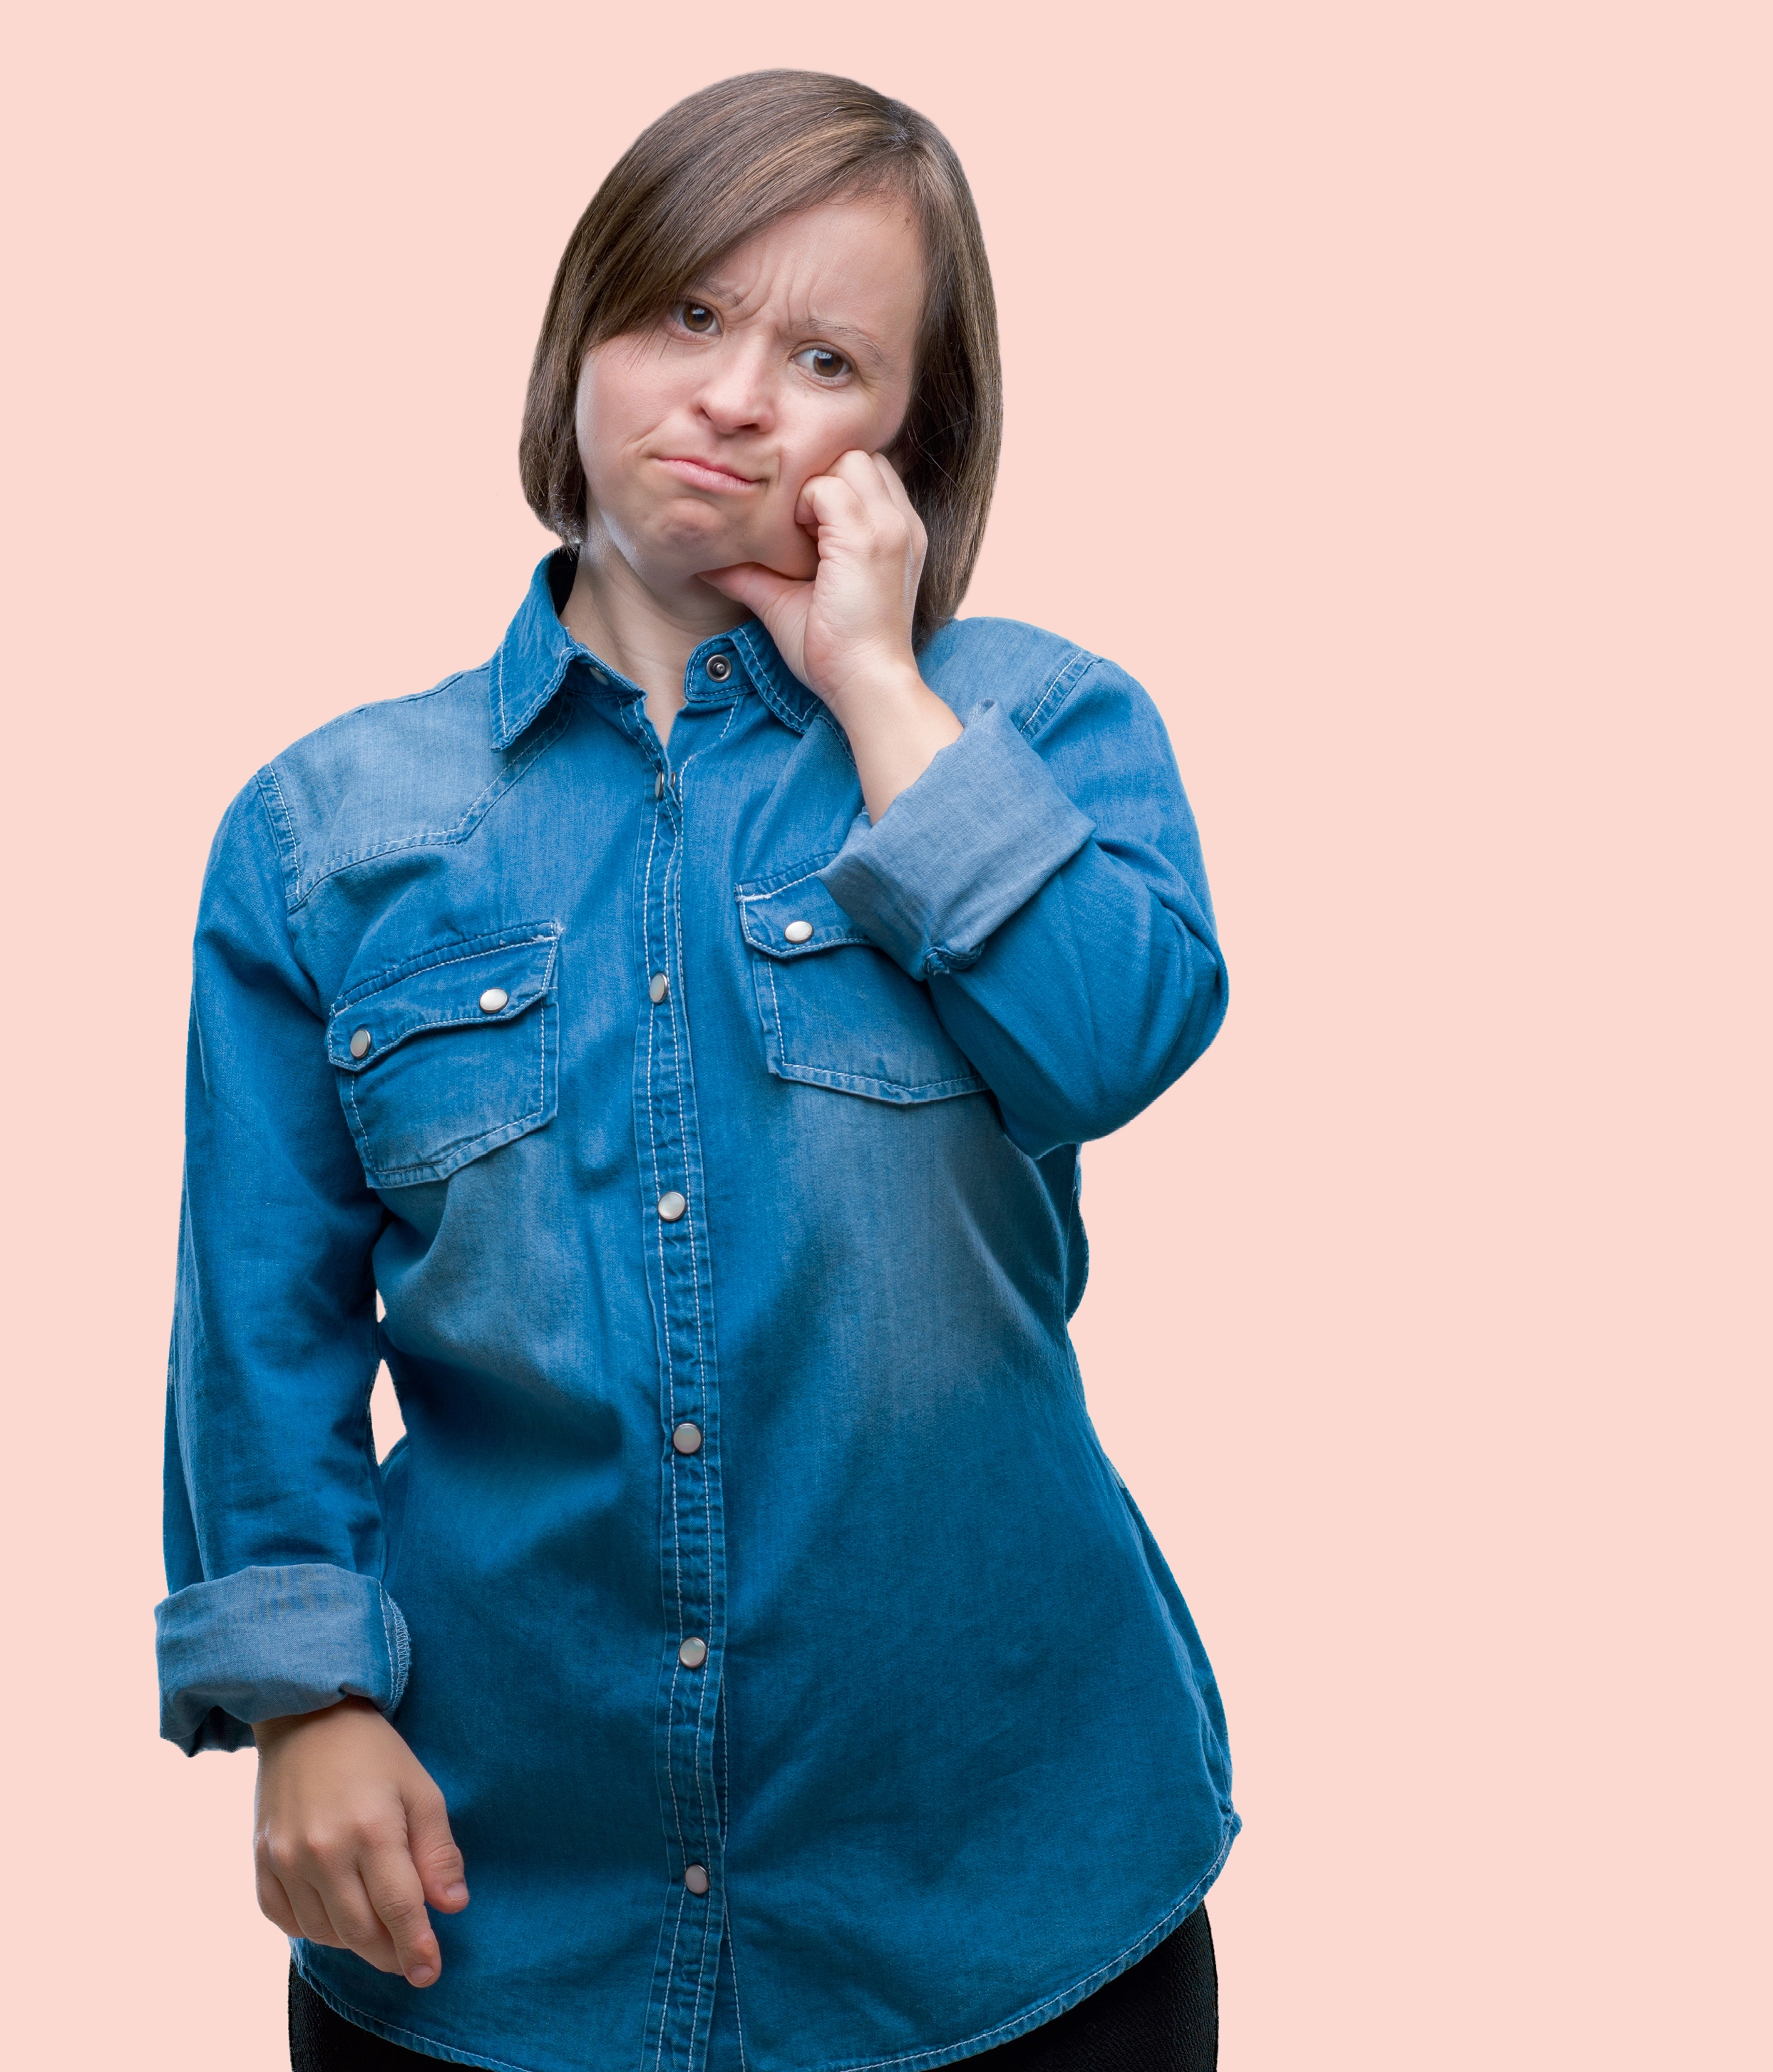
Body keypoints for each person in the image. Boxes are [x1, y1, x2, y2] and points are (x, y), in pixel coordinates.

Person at [158, 70, 1235, 2072]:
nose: (734, 396)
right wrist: (302, 1701)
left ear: (900, 442)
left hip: (1004, 1886)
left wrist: (878, 683)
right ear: (580, 334)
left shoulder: (1033, 726)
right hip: (494, 1909)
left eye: (823, 355)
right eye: (684, 316)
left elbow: (1101, 1044)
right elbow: (261, 1327)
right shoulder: (329, 828)